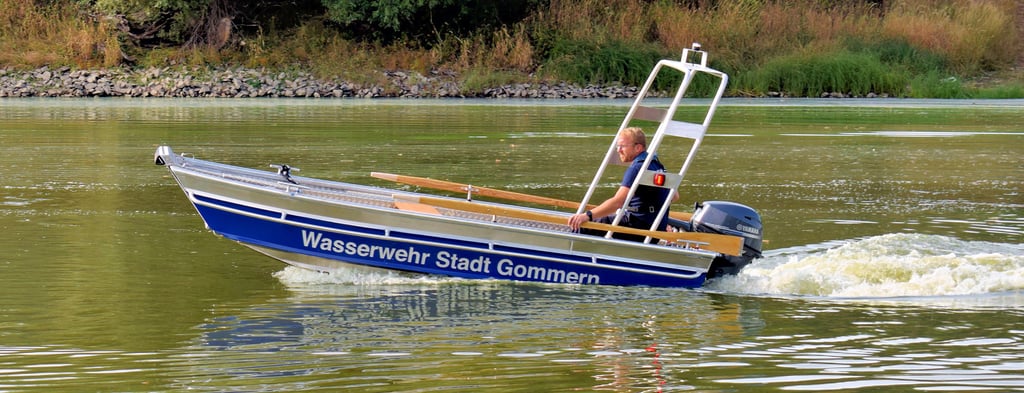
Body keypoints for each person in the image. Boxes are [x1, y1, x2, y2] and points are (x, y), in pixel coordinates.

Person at [568, 127, 678, 241]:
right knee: (607, 218)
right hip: (655, 229)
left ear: (638, 148)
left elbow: (618, 202)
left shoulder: (637, 168)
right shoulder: (657, 165)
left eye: (622, 146)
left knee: (581, 226)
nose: (618, 150)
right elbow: (674, 196)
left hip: (638, 228)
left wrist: (587, 215)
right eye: (618, 146)